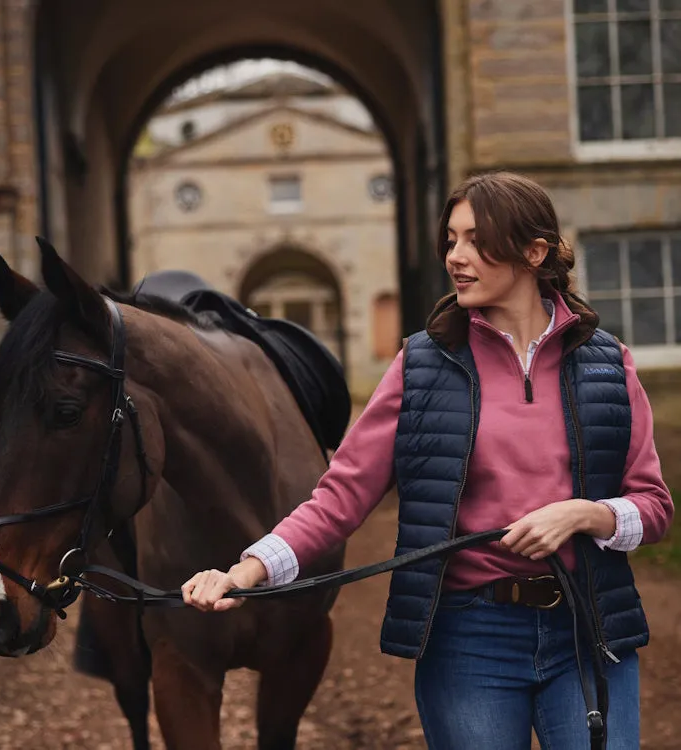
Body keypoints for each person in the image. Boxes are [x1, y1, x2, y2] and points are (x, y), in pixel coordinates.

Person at [181, 171, 674, 749]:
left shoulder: (607, 363)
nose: (455, 257)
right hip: (470, 642)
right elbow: (339, 499)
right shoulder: (421, 366)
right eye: (451, 240)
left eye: (473, 240)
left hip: (590, 632)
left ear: (534, 252)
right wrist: (245, 572)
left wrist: (583, 515)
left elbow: (654, 507)